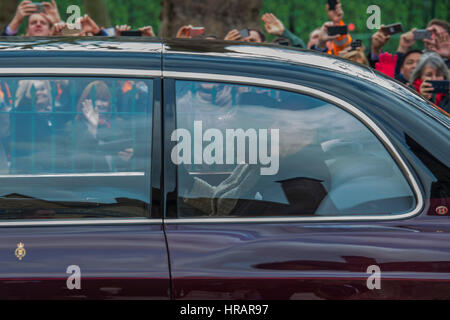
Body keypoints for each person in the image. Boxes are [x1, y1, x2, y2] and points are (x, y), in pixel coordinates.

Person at [68, 81, 134, 173]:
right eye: (95, 99)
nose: (99, 104)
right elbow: (78, 161)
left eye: (103, 100)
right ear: (84, 102)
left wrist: (127, 157)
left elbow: (123, 163)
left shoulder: (117, 126)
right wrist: (92, 127)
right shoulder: (73, 127)